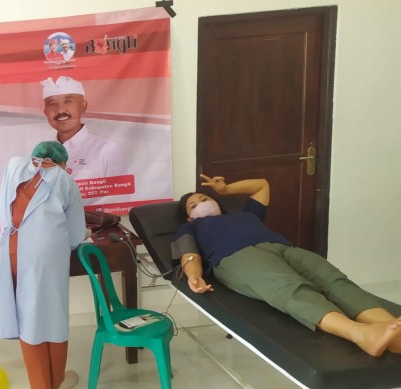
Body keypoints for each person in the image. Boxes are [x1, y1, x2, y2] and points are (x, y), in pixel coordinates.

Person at [173, 174, 401, 357]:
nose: (201, 204)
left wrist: (225, 189)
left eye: (204, 199)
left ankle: (391, 328)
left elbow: (262, 185)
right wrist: (194, 276)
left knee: (333, 280)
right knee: (290, 288)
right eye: (193, 205)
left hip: (283, 248)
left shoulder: (247, 215)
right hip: (237, 257)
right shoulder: (191, 228)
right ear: (189, 217)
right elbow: (189, 255)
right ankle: (360, 334)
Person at [0, 141, 86, 389]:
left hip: (14, 249)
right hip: (50, 254)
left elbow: (6, 210)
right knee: (53, 314)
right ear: (62, 162)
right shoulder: (66, 180)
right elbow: (75, 235)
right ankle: (52, 386)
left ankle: (43, 388)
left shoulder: (13, 164)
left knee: (28, 314)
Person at [40, 76, 120, 184]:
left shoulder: (106, 149)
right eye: (52, 104)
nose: (60, 110)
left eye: (68, 101)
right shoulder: (41, 154)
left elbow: (121, 192)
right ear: (45, 112)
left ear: (83, 106)